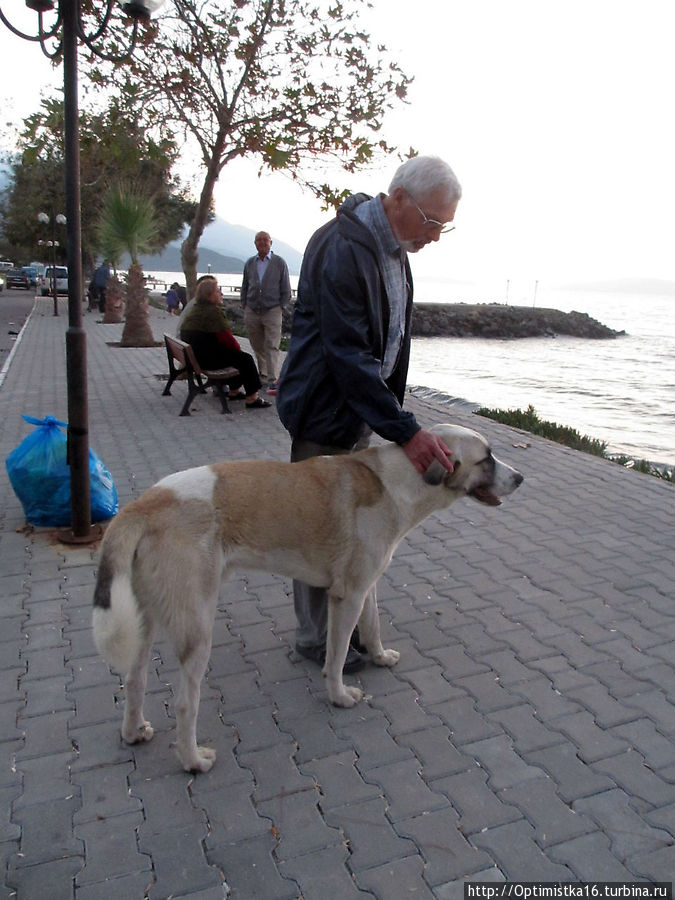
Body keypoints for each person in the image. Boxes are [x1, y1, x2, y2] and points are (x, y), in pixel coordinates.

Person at [276, 155, 461, 672]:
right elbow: (349, 354)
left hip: (360, 411)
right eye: (431, 222)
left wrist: (390, 415)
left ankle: (349, 631)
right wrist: (405, 430)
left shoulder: (394, 248)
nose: (436, 236)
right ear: (398, 198)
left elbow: (391, 340)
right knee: (316, 529)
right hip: (324, 412)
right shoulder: (342, 247)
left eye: (445, 226)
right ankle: (315, 640)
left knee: (355, 530)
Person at [180, 275, 271, 409]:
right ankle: (252, 398)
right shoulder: (213, 312)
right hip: (206, 360)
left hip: (198, 357)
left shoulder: (197, 309)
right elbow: (227, 339)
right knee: (245, 360)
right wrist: (238, 352)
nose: (221, 293)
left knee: (237, 359)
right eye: (217, 291)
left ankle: (234, 391)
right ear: (209, 295)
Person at [240, 231, 292, 395]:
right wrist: (244, 304)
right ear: (255, 243)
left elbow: (286, 288)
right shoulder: (250, 263)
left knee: (272, 345)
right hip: (252, 309)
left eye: (265, 240)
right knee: (257, 344)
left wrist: (281, 307)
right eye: (259, 240)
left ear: (271, 243)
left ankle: (272, 379)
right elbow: (245, 286)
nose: (262, 242)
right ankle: (262, 375)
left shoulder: (279, 263)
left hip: (272, 309)